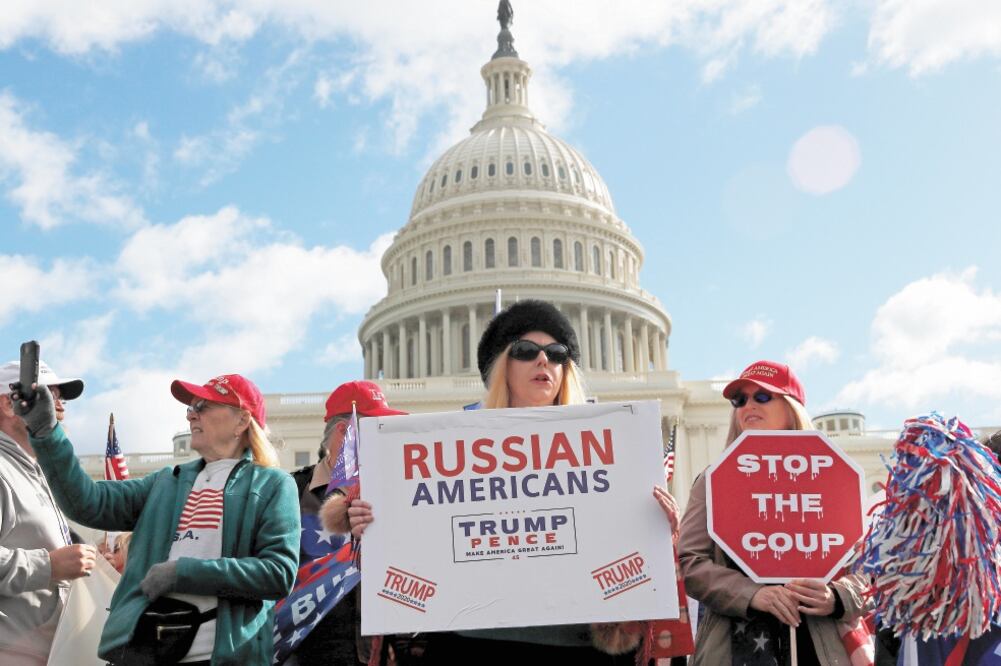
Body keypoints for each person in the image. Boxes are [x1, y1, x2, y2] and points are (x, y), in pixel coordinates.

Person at [344, 300, 681, 664]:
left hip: (577, 648)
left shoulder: (614, 450)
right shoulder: (444, 449)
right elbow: (423, 535)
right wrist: (372, 524)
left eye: (556, 354)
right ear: (502, 365)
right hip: (475, 646)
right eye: (526, 351)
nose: (543, 362)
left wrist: (659, 528)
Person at [10, 373, 300, 665]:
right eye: (190, 408)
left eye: (203, 406)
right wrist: (47, 431)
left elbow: (278, 573)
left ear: (242, 421)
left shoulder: (273, 485)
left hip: (222, 656)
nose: (191, 415)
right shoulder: (164, 483)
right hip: (146, 652)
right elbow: (87, 503)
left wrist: (181, 574)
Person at [678, 360, 870, 665]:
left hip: (817, 645)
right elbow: (689, 563)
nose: (748, 405)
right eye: (740, 400)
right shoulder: (713, 480)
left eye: (763, 396)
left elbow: (866, 569)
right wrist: (752, 594)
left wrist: (836, 597)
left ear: (792, 408)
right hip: (734, 646)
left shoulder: (832, 474)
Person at [288, 381, 405, 665]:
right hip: (307, 652)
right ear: (344, 431)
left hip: (378, 652)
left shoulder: (395, 490)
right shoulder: (291, 490)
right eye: (377, 427)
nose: (385, 436)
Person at [0, 360, 94, 666]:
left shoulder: (35, 472)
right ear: (7, 404)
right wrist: (49, 566)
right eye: (49, 396)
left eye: (60, 399)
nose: (60, 408)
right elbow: (50, 565)